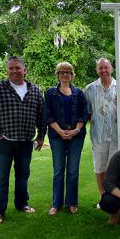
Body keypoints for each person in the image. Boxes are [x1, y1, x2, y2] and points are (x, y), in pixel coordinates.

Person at [0, 56, 46, 225]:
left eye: (18, 68)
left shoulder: (35, 90)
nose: (15, 71)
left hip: (25, 140)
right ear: (7, 70)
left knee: (23, 175)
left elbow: (41, 116)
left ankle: (22, 204)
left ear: (25, 70)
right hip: (4, 141)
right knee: (1, 177)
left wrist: (40, 136)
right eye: (11, 68)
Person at [43, 62, 87, 216]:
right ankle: (56, 204)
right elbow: (47, 115)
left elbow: (84, 114)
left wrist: (76, 130)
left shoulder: (79, 93)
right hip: (57, 136)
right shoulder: (50, 93)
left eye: (68, 72)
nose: (65, 74)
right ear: (58, 74)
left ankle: (72, 202)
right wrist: (60, 131)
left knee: (73, 171)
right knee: (58, 170)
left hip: (76, 136)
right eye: (62, 72)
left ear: (72, 75)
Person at [84, 58, 120, 205]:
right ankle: (103, 197)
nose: (103, 70)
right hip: (99, 135)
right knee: (100, 167)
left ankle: (115, 196)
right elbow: (88, 112)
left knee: (114, 168)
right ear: (97, 70)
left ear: (112, 69)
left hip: (117, 135)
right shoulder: (89, 89)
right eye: (100, 68)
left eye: (106, 67)